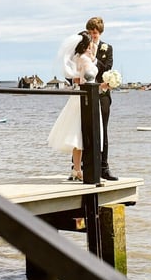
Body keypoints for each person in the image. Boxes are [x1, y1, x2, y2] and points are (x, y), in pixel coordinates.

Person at [47, 31, 104, 181]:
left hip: (77, 97)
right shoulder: (85, 59)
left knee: (77, 134)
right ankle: (84, 170)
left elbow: (78, 79)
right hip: (87, 97)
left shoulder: (77, 58)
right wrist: (104, 85)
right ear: (86, 45)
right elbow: (88, 81)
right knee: (85, 132)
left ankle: (77, 169)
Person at [85, 17, 118, 181]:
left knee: (103, 129)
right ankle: (81, 166)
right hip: (86, 94)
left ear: (100, 32)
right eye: (90, 32)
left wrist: (94, 59)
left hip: (103, 94)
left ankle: (104, 167)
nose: (92, 35)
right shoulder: (83, 46)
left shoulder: (107, 48)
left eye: (95, 33)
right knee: (84, 129)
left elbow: (107, 68)